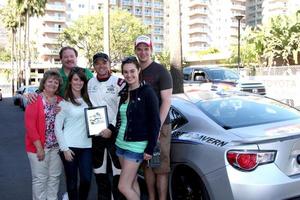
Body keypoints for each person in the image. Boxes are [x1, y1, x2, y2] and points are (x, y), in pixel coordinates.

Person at [115, 56, 161, 200]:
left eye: (132, 71)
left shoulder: (147, 92)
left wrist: (150, 148)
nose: (129, 75)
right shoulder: (123, 92)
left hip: (137, 145)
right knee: (132, 182)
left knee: (122, 186)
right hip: (120, 143)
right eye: (125, 72)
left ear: (139, 70)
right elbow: (121, 118)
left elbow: (155, 122)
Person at [134, 35, 173, 200]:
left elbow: (166, 102)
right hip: (142, 128)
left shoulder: (161, 71)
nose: (143, 52)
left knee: (161, 168)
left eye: (146, 49)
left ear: (151, 50)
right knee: (148, 165)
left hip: (160, 128)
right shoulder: (136, 71)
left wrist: (156, 128)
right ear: (135, 51)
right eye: (139, 49)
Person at [87, 52, 125, 200]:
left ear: (109, 64)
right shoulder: (90, 83)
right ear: (94, 66)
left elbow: (122, 109)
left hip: (114, 134)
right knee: (99, 172)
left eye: (104, 62)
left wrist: (111, 128)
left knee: (117, 172)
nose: (101, 66)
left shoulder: (119, 83)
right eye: (97, 63)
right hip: (96, 134)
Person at [55, 67, 93, 200]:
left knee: (86, 180)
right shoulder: (64, 102)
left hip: (87, 147)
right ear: (70, 81)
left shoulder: (89, 100)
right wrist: (64, 149)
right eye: (76, 79)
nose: (79, 82)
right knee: (71, 183)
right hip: (69, 147)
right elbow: (57, 127)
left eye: (81, 80)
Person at [25, 70, 63, 200]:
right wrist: (39, 148)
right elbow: (30, 126)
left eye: (56, 82)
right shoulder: (35, 99)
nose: (53, 84)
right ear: (44, 83)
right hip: (39, 147)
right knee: (40, 179)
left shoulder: (60, 101)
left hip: (56, 147)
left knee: (54, 178)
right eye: (50, 81)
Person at [27, 46, 93, 102]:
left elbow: (95, 90)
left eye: (72, 56)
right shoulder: (54, 75)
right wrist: (33, 95)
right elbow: (42, 91)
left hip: (83, 110)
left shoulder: (86, 72)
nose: (69, 59)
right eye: (66, 57)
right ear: (61, 59)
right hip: (58, 111)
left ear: (76, 58)